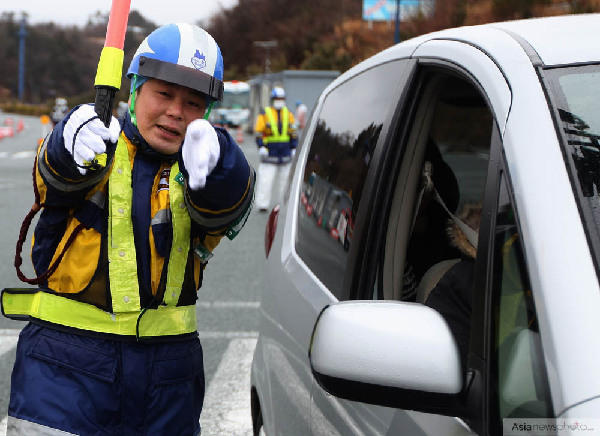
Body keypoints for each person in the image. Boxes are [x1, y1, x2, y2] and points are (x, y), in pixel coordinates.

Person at [3, 23, 255, 436]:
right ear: (134, 88)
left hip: (168, 383)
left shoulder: (203, 169)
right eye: (164, 93)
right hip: (62, 373)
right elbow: (53, 176)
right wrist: (66, 140)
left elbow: (227, 205)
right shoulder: (93, 143)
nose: (176, 111)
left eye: (194, 102)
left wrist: (221, 159)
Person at [254, 86, 298, 212]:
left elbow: (293, 132)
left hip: (285, 153)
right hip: (269, 153)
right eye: (277, 98)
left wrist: (294, 147)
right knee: (266, 180)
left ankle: (283, 205)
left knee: (285, 182)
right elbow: (258, 132)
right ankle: (263, 204)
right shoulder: (264, 114)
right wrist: (261, 146)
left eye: (281, 98)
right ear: (273, 99)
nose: (279, 100)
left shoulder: (288, 114)